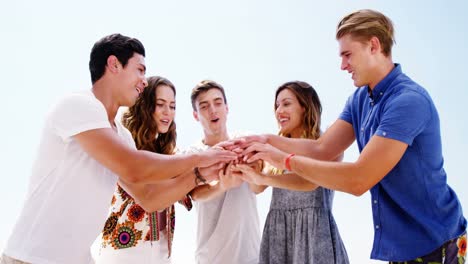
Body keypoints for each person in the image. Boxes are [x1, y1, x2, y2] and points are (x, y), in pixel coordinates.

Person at [230, 9, 467, 264]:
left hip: (437, 242)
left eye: (347, 54)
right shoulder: (360, 99)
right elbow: (322, 148)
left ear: (374, 45)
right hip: (402, 247)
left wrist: (283, 160)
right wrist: (265, 140)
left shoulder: (407, 102)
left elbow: (358, 179)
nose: (342, 65)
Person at [1, 34, 235, 264]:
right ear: (114, 64)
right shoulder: (79, 105)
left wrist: (200, 175)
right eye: (140, 70)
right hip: (31, 258)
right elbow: (134, 167)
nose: (144, 80)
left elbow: (149, 198)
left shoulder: (121, 135)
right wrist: (200, 158)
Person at [94, 76, 209, 263]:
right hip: (125, 248)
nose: (167, 112)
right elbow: (151, 198)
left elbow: (190, 192)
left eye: (172, 106)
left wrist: (224, 169)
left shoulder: (171, 153)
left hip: (162, 248)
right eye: (160, 104)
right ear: (145, 106)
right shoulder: (124, 145)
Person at [234, 81, 349, 264]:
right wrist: (251, 169)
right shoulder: (275, 148)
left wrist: (263, 177)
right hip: (278, 232)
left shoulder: (327, 144)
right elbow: (257, 188)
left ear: (304, 107)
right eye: (277, 106)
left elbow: (309, 183)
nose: (279, 111)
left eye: (286, 104)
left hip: (314, 234)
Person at [187, 80, 261, 264]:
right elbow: (195, 194)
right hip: (210, 258)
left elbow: (259, 186)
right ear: (196, 115)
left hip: (251, 255)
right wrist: (222, 185)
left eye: (218, 103)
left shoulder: (246, 143)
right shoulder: (191, 154)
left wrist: (249, 170)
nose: (213, 110)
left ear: (227, 108)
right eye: (204, 106)